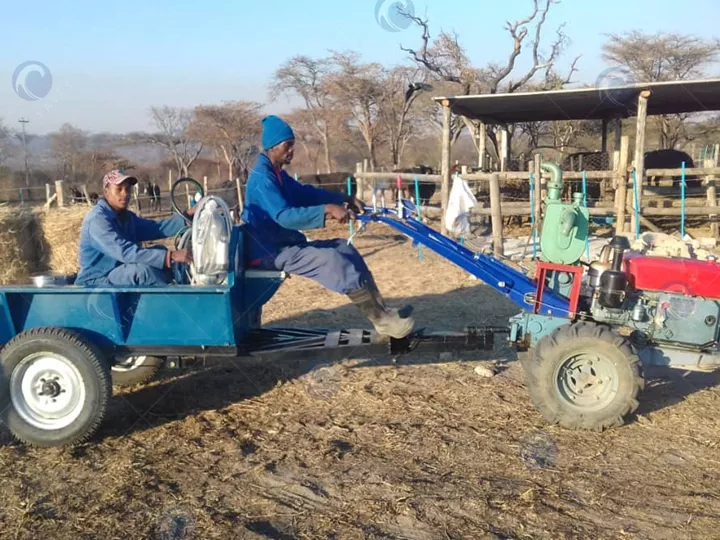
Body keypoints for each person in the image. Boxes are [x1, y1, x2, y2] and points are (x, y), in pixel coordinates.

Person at [241, 115, 415, 339]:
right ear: (273, 146)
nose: (292, 151)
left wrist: (343, 199)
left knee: (345, 249)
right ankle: (383, 323)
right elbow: (284, 216)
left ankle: (383, 312)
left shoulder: (277, 174)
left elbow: (306, 193)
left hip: (280, 244)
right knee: (333, 261)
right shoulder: (263, 179)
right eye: (288, 146)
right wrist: (327, 210)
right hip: (267, 251)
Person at [75, 169, 195, 287]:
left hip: (118, 272)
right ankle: (176, 301)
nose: (125, 193)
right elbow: (125, 252)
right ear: (106, 191)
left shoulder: (126, 217)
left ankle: (180, 286)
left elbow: (155, 228)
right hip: (95, 281)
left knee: (160, 250)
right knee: (143, 272)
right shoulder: (98, 220)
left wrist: (188, 216)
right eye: (119, 189)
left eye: (127, 189)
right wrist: (171, 256)